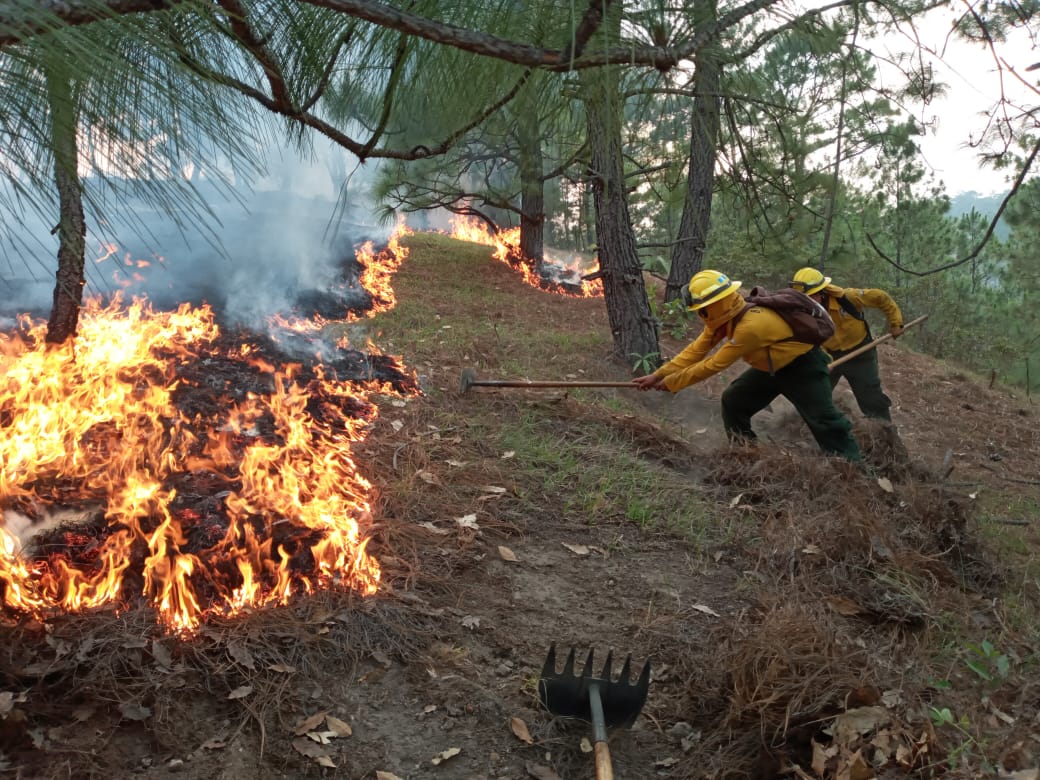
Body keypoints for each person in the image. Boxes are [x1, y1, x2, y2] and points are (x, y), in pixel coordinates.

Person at [632, 270, 862, 463]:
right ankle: (746, 453)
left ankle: (853, 468)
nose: (700, 314)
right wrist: (658, 375)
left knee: (825, 420)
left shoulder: (751, 326)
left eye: (702, 309)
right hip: (770, 368)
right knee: (734, 402)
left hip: (803, 368)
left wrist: (672, 383)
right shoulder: (724, 317)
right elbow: (696, 351)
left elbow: (714, 364)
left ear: (715, 305)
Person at [789, 267, 903, 423]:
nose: (805, 303)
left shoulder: (848, 298)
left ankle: (884, 431)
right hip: (830, 356)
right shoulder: (804, 312)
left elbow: (881, 297)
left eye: (808, 298)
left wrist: (896, 323)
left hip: (861, 353)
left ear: (821, 293)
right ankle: (809, 427)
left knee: (870, 396)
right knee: (817, 394)